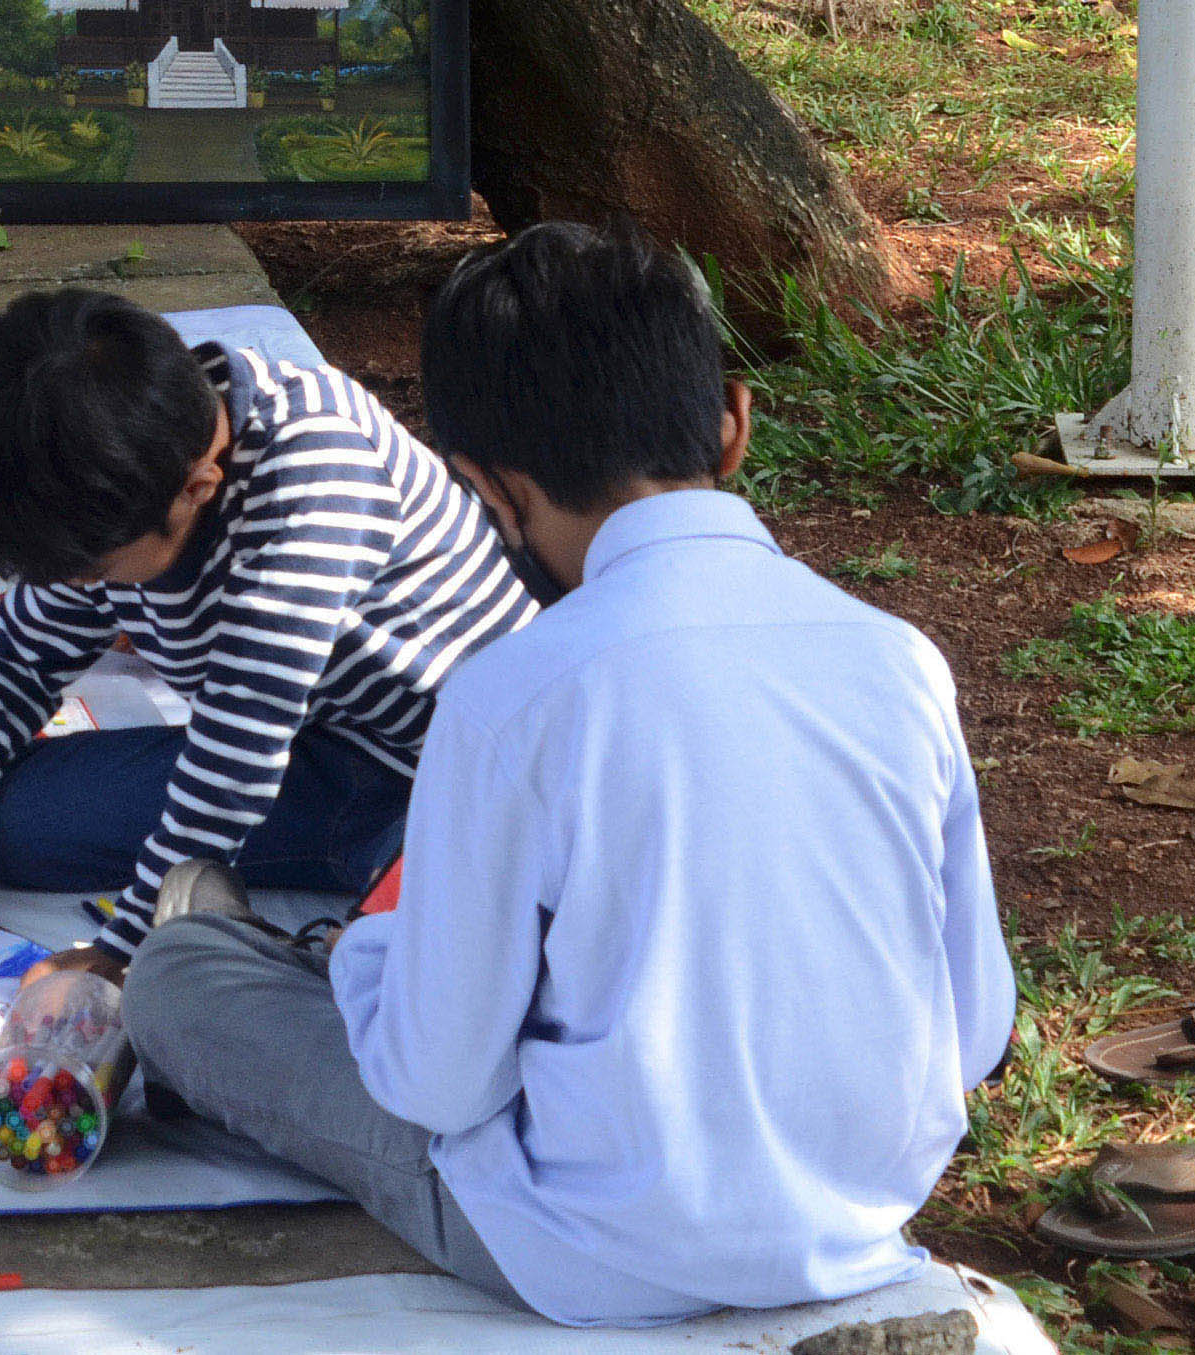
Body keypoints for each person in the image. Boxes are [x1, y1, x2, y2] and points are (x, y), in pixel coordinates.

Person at [110, 223, 1014, 1327]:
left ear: (484, 489)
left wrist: (371, 958)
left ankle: (287, 958)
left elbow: (438, 1087)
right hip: (858, 1223)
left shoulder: (514, 694)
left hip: (585, 1245)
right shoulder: (898, 659)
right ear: (733, 424)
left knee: (178, 981)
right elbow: (974, 1030)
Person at [0, 290, 537, 962]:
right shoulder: (106, 454)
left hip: (445, 776)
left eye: (93, 572)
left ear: (198, 488)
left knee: (426, 952)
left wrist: (119, 956)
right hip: (308, 751)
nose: (77, 590)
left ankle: (404, 881)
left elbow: (234, 758)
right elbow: (21, 657)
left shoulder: (313, 474)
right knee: (9, 824)